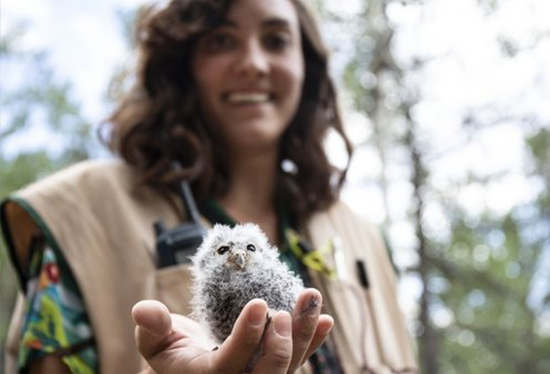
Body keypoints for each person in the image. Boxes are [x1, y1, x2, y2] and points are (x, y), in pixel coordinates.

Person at [1, 0, 419, 373]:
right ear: (182, 67)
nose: (253, 62)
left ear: (306, 68)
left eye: (275, 40)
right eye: (221, 40)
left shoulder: (365, 240)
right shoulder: (82, 214)